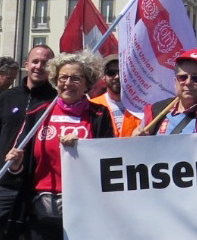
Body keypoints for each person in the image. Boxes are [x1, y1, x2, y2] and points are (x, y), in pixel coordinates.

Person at [3, 51, 114, 240]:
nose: (68, 83)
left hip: (83, 205)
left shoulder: (99, 115)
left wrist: (81, 147)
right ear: (55, 80)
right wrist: (15, 166)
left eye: (75, 78)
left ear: (87, 83)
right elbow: (22, 164)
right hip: (40, 207)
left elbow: (108, 159)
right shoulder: (38, 114)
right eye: (63, 77)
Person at [0, 45, 56, 238]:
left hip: (38, 187)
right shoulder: (6, 97)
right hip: (5, 182)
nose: (39, 66)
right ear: (26, 64)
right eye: (35, 61)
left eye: (45, 63)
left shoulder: (57, 100)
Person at [89, 55, 140, 137]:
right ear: (103, 77)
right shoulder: (92, 106)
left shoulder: (141, 105)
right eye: (111, 73)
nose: (117, 76)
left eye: (121, 72)